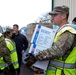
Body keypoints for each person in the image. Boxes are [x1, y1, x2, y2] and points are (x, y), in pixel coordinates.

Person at [25, 5, 76, 75]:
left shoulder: (68, 30)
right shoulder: (59, 30)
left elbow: (58, 51)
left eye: (54, 15)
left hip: (63, 72)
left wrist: (36, 56)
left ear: (64, 16)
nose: (51, 18)